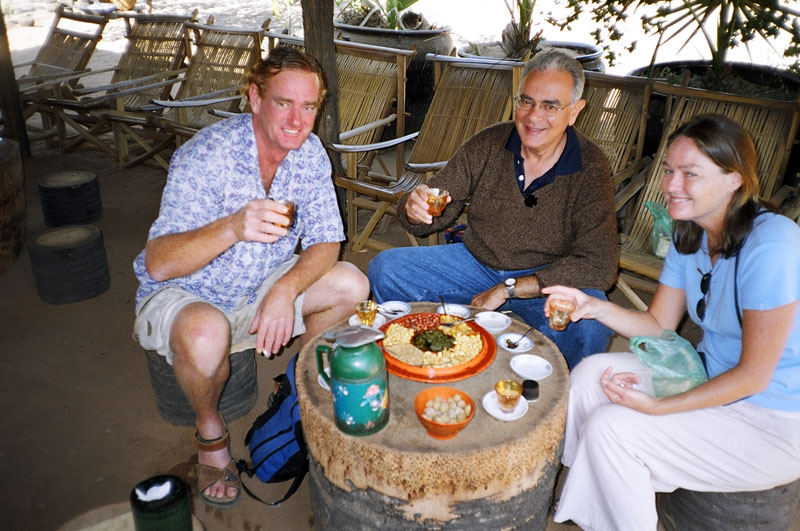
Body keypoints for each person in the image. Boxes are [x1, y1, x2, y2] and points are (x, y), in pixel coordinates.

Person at [132, 47, 369, 509]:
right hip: (190, 291)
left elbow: (327, 243)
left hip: (262, 282)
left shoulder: (310, 153)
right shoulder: (206, 155)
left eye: (309, 106)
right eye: (284, 102)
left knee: (351, 285)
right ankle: (210, 432)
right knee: (206, 332)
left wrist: (285, 289)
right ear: (255, 98)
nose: (298, 120)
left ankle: (299, 398)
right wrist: (233, 226)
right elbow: (158, 262)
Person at [544, 114, 800, 530]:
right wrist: (591, 307)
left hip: (772, 420)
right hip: (706, 376)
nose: (670, 185)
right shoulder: (693, 231)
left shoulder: (773, 245)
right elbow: (658, 323)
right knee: (592, 374)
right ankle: (579, 495)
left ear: (734, 179)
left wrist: (659, 408)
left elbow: (753, 376)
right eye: (668, 170)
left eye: (690, 174)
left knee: (615, 429)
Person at [368, 49, 618, 368]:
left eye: (550, 106)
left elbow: (600, 265)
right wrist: (414, 208)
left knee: (591, 326)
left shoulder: (590, 165)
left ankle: (560, 402)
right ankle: (433, 354)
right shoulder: (490, 143)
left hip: (547, 278)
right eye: (526, 101)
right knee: (386, 268)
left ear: (574, 111)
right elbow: (439, 201)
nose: (533, 116)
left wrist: (510, 289)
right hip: (477, 262)